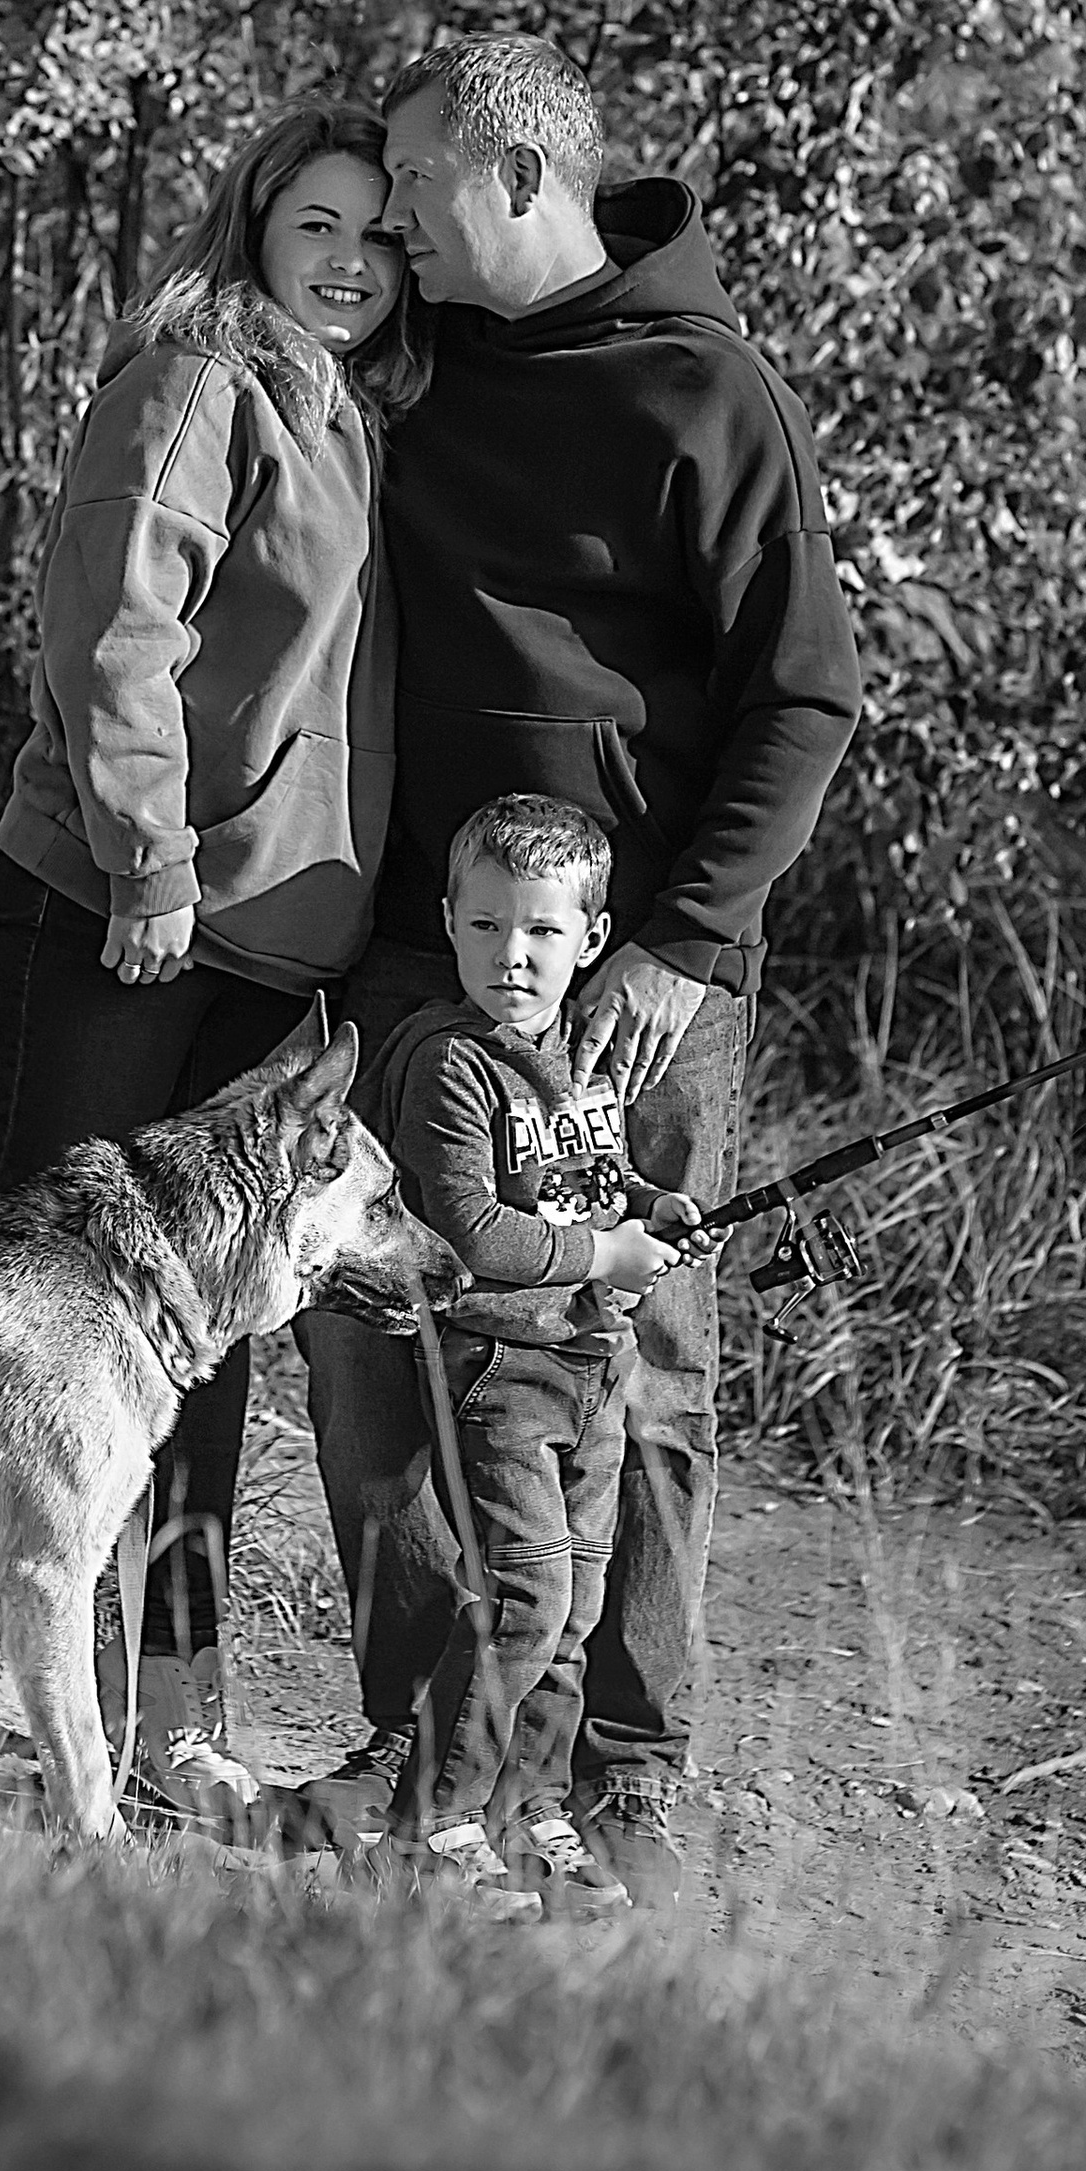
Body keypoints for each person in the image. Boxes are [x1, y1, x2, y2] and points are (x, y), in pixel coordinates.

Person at [297, 32, 861, 1903]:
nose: (395, 232)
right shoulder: (423, 364)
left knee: (633, 1364)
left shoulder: (705, 395)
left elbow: (804, 701)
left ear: (519, 182)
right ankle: (429, 1751)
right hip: (411, 961)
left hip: (630, 992)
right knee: (387, 1338)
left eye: (420, 195)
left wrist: (687, 950)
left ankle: (621, 1778)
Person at [0, 98, 425, 1820]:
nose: (351, 261)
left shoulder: (363, 421)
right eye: (318, 224)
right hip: (115, 914)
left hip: (267, 956)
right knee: (32, 1324)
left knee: (195, 1351)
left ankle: (163, 1719)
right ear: (254, 223)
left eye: (382, 236)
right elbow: (113, 633)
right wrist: (148, 856)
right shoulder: (198, 383)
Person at [373, 794, 719, 1919]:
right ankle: (436, 1821)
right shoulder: (449, 1063)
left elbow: (592, 1182)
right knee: (525, 1594)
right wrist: (602, 1250)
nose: (508, 957)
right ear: (448, 921)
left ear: (593, 939)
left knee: (574, 1610)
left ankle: (528, 1808)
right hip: (499, 1373)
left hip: (595, 1366)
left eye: (537, 933)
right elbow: (475, 1228)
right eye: (482, 928)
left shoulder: (585, 1050)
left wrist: (653, 1212)